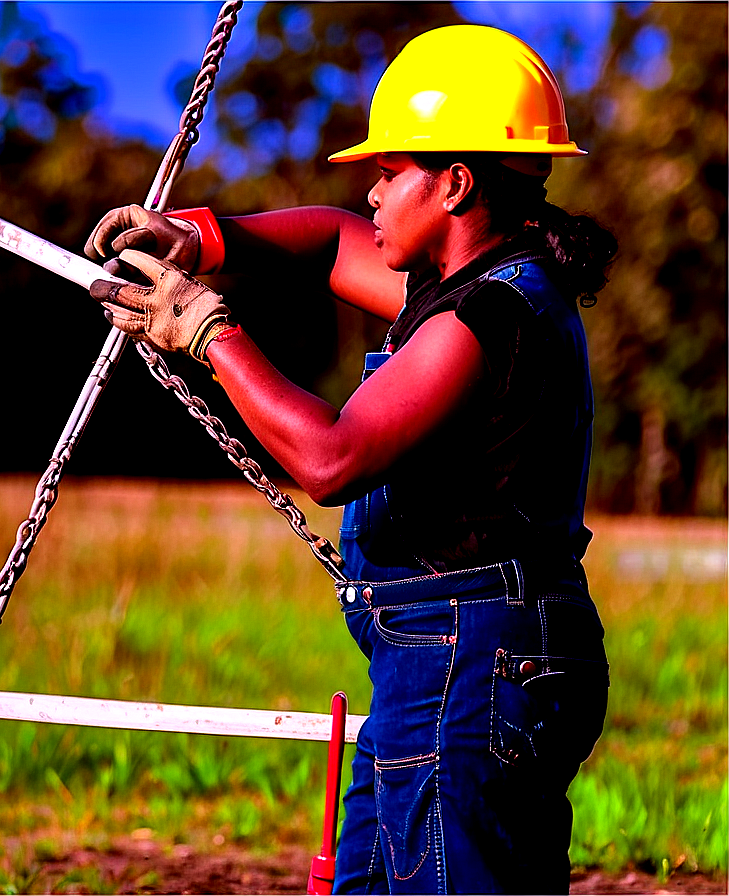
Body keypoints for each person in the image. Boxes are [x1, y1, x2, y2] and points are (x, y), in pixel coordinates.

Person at [85, 24, 617, 895]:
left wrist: (207, 331)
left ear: (453, 182)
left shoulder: (484, 321)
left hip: (468, 666)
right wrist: (203, 239)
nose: (370, 193)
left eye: (386, 171)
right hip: (445, 663)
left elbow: (331, 460)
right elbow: (334, 242)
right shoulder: (467, 285)